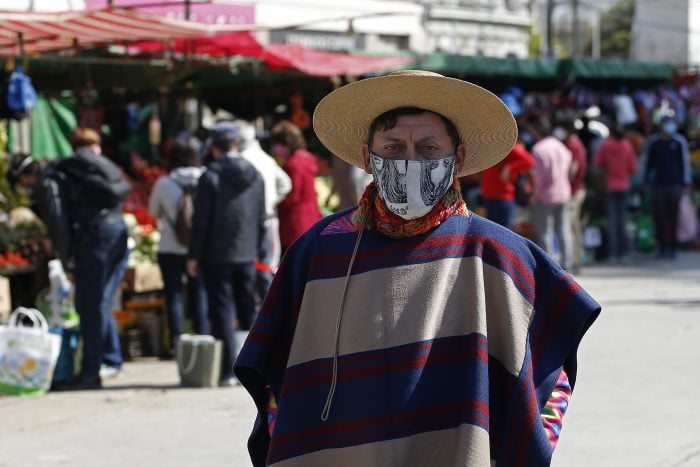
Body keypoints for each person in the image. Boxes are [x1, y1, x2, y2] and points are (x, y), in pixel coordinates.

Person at [233, 70, 601, 466]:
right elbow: (274, 371)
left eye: (428, 149)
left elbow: (551, 379)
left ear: (457, 158)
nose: (409, 162)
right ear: (367, 156)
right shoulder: (318, 250)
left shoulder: (498, 253)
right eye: (392, 148)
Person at [37, 128, 131, 389]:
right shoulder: (96, 169)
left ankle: (90, 373)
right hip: (118, 230)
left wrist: (66, 259)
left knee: (89, 305)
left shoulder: (58, 175)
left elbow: (57, 221)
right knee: (99, 303)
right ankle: (104, 361)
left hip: (94, 238)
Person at [186, 122, 266, 387]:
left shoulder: (210, 176)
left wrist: (194, 255)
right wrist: (259, 248)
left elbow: (201, 221)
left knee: (222, 310)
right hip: (247, 250)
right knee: (249, 307)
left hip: (217, 252)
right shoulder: (255, 174)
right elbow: (259, 216)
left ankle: (229, 370)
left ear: (213, 148)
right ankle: (255, 365)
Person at [148, 139, 209, 356]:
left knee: (174, 295)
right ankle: (204, 340)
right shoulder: (207, 177)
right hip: (200, 247)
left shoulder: (164, 183)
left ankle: (176, 343)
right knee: (199, 293)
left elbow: (153, 210)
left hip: (169, 247)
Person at [234, 119, 292, 302]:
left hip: (248, 220)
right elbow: (285, 183)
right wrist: (271, 201)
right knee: (268, 265)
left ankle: (263, 307)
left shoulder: (242, 161)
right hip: (269, 217)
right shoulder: (266, 159)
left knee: (252, 268)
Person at [642, 115, 692, 259]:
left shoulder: (679, 141)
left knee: (674, 217)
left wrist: (686, 183)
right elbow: (648, 164)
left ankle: (673, 247)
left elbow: (685, 163)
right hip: (658, 185)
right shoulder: (654, 142)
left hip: (675, 185)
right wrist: (645, 182)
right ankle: (662, 247)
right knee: (660, 217)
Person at [269, 120, 322, 254]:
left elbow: (291, 197)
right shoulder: (308, 158)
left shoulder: (292, 164)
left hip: (294, 224)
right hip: (311, 218)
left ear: (285, 142)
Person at [529, 117, 575, 271]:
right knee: (563, 229)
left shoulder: (539, 149)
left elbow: (539, 177)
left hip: (545, 194)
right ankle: (567, 262)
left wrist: (534, 194)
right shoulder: (561, 146)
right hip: (564, 191)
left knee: (545, 232)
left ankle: (550, 266)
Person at [593, 124, 638, 263]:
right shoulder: (627, 146)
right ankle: (623, 253)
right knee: (622, 221)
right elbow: (632, 168)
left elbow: (597, 164)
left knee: (612, 222)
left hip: (609, 187)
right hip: (624, 187)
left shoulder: (605, 146)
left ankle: (612, 254)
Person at [479, 127, 535, 229]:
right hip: (490, 198)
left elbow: (530, 161)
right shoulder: (490, 148)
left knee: (504, 235)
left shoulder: (508, 147)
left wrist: (509, 168)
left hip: (503, 198)